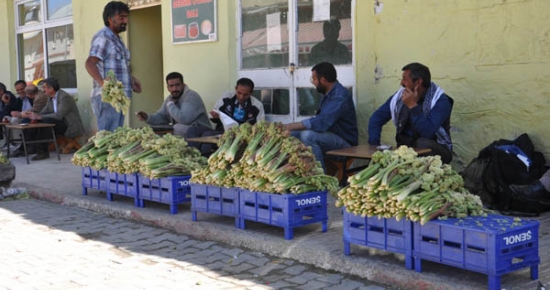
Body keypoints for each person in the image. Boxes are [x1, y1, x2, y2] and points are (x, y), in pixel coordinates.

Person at [368, 62, 454, 164]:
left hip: (437, 151)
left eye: (405, 79)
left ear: (418, 82)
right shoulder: (400, 97)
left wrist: (413, 106)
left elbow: (427, 132)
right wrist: (375, 148)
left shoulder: (441, 101)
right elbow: (376, 119)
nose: (401, 83)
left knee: (422, 143)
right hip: (407, 149)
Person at [284, 62, 358, 171]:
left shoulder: (339, 96)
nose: (313, 83)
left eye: (313, 79)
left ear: (323, 80)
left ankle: (320, 176)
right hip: (329, 137)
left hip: (345, 144)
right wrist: (288, 129)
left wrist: (290, 125)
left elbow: (322, 122)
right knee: (289, 134)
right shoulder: (327, 92)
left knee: (308, 136)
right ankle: (296, 172)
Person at [85, 1, 141, 132]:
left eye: (127, 17)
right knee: (108, 139)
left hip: (120, 98)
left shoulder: (118, 39)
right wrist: (103, 83)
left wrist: (131, 80)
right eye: (121, 17)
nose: (126, 21)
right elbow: (90, 63)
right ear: (110, 19)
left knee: (115, 138)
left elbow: (116, 66)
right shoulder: (104, 37)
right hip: (107, 98)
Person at [186, 77, 264, 154]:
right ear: (235, 89)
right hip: (221, 131)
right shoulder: (227, 98)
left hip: (239, 137)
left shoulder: (257, 106)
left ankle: (205, 158)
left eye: (245, 95)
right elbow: (213, 114)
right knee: (193, 130)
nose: (241, 97)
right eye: (239, 93)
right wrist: (215, 116)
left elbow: (261, 127)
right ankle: (192, 155)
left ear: (251, 93)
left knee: (207, 135)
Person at [22, 78, 85, 161]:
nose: (43, 90)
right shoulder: (50, 98)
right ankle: (28, 147)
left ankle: (43, 152)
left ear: (51, 89)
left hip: (69, 125)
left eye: (44, 87)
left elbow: (59, 115)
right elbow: (43, 112)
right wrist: (32, 115)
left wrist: (39, 117)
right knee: (29, 121)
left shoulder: (64, 97)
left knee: (46, 122)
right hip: (57, 123)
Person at [136, 72, 211, 139]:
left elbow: (184, 119)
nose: (174, 89)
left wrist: (171, 105)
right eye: (171, 86)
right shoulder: (170, 99)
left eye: (177, 85)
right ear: (168, 88)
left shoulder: (191, 96)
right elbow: (162, 117)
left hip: (201, 130)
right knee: (152, 130)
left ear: (183, 85)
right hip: (187, 130)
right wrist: (147, 117)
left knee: (178, 128)